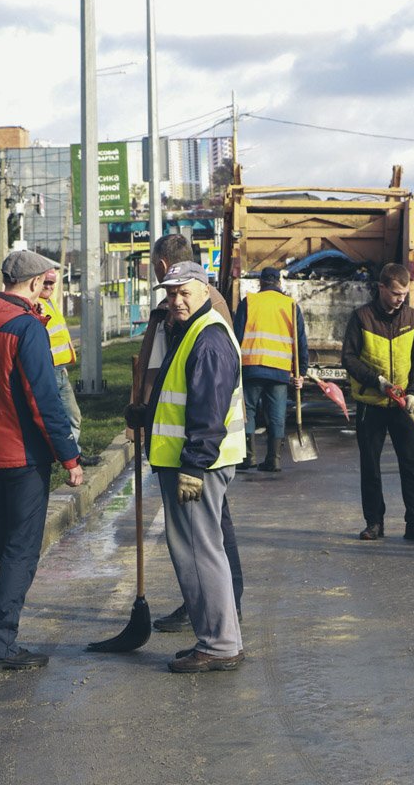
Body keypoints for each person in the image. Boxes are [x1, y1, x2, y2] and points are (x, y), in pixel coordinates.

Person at [0, 248, 84, 671]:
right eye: (45, 284)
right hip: (22, 455)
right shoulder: (26, 327)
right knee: (20, 550)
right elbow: (42, 398)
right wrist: (69, 457)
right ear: (33, 284)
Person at [131, 259, 245, 673]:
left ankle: (219, 645)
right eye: (170, 293)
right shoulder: (192, 331)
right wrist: (143, 415)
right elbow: (180, 398)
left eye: (184, 293)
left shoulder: (208, 338)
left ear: (204, 291)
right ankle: (219, 638)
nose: (176, 301)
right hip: (191, 461)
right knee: (201, 550)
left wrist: (193, 467)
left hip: (196, 466)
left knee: (199, 553)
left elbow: (207, 412)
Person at [341, 262, 414, 542]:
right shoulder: (362, 318)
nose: (400, 299)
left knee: (412, 466)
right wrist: (377, 382)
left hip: (403, 405)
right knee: (370, 466)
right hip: (372, 405)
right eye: (395, 293)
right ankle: (374, 523)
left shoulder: (413, 319)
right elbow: (349, 358)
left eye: (404, 293)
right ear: (381, 288)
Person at [233, 266, 308, 472]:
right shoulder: (291, 305)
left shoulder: (249, 302)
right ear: (279, 283)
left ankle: (248, 457)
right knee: (276, 414)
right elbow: (300, 342)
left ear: (261, 283)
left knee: (247, 410)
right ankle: (273, 459)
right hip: (279, 370)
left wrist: (233, 367)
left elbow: (236, 337)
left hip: (251, 367)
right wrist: (301, 372)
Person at [38, 271, 100, 466]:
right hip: (51, 370)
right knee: (60, 417)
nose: (49, 286)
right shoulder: (36, 305)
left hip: (60, 369)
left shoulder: (50, 303)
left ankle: (72, 455)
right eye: (46, 282)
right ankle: (68, 457)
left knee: (73, 415)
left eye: (52, 283)